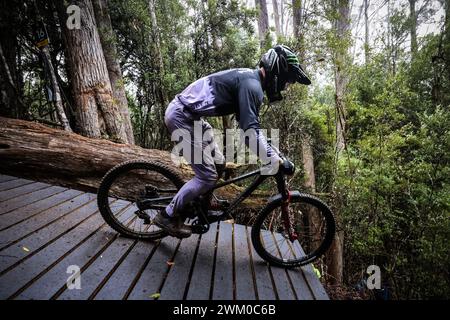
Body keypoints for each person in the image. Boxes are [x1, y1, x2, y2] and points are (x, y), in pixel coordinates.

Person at [154, 44, 311, 238]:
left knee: (218, 165)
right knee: (207, 177)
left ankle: (201, 205)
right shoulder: (252, 86)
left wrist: (270, 150)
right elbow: (249, 132)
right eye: (288, 82)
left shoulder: (250, 80)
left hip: (192, 118)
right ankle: (167, 215)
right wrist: (273, 158)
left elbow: (251, 125)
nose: (286, 87)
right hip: (181, 117)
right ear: (279, 72)